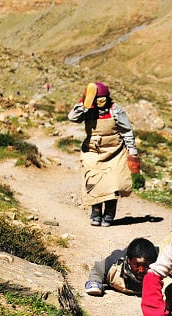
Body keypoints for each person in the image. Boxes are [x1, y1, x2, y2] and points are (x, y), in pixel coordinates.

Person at [68, 81, 141, 227]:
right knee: (94, 182)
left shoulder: (116, 110)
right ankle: (95, 214)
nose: (100, 102)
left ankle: (109, 214)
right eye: (96, 99)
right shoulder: (87, 109)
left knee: (113, 184)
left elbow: (127, 132)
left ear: (107, 98)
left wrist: (132, 151)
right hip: (92, 151)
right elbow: (72, 117)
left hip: (115, 152)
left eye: (102, 99)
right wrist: (83, 103)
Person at [85, 238, 158, 297]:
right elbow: (97, 270)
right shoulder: (114, 263)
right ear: (128, 260)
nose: (141, 270)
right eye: (136, 265)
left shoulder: (162, 263)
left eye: (146, 265)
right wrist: (94, 281)